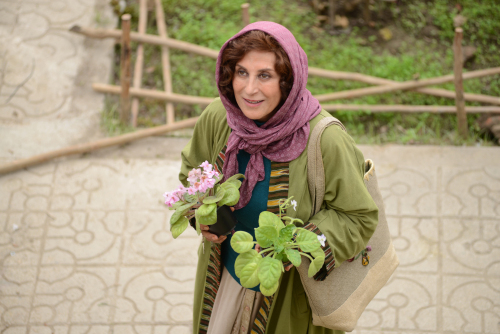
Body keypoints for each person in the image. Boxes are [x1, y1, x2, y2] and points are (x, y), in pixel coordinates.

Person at [179, 21, 378, 334]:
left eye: (265, 76)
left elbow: (358, 218)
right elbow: (193, 170)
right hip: (225, 279)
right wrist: (201, 215)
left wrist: (296, 245)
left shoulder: (326, 140)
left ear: (288, 81)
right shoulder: (220, 117)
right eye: (241, 72)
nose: (248, 89)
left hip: (289, 298)